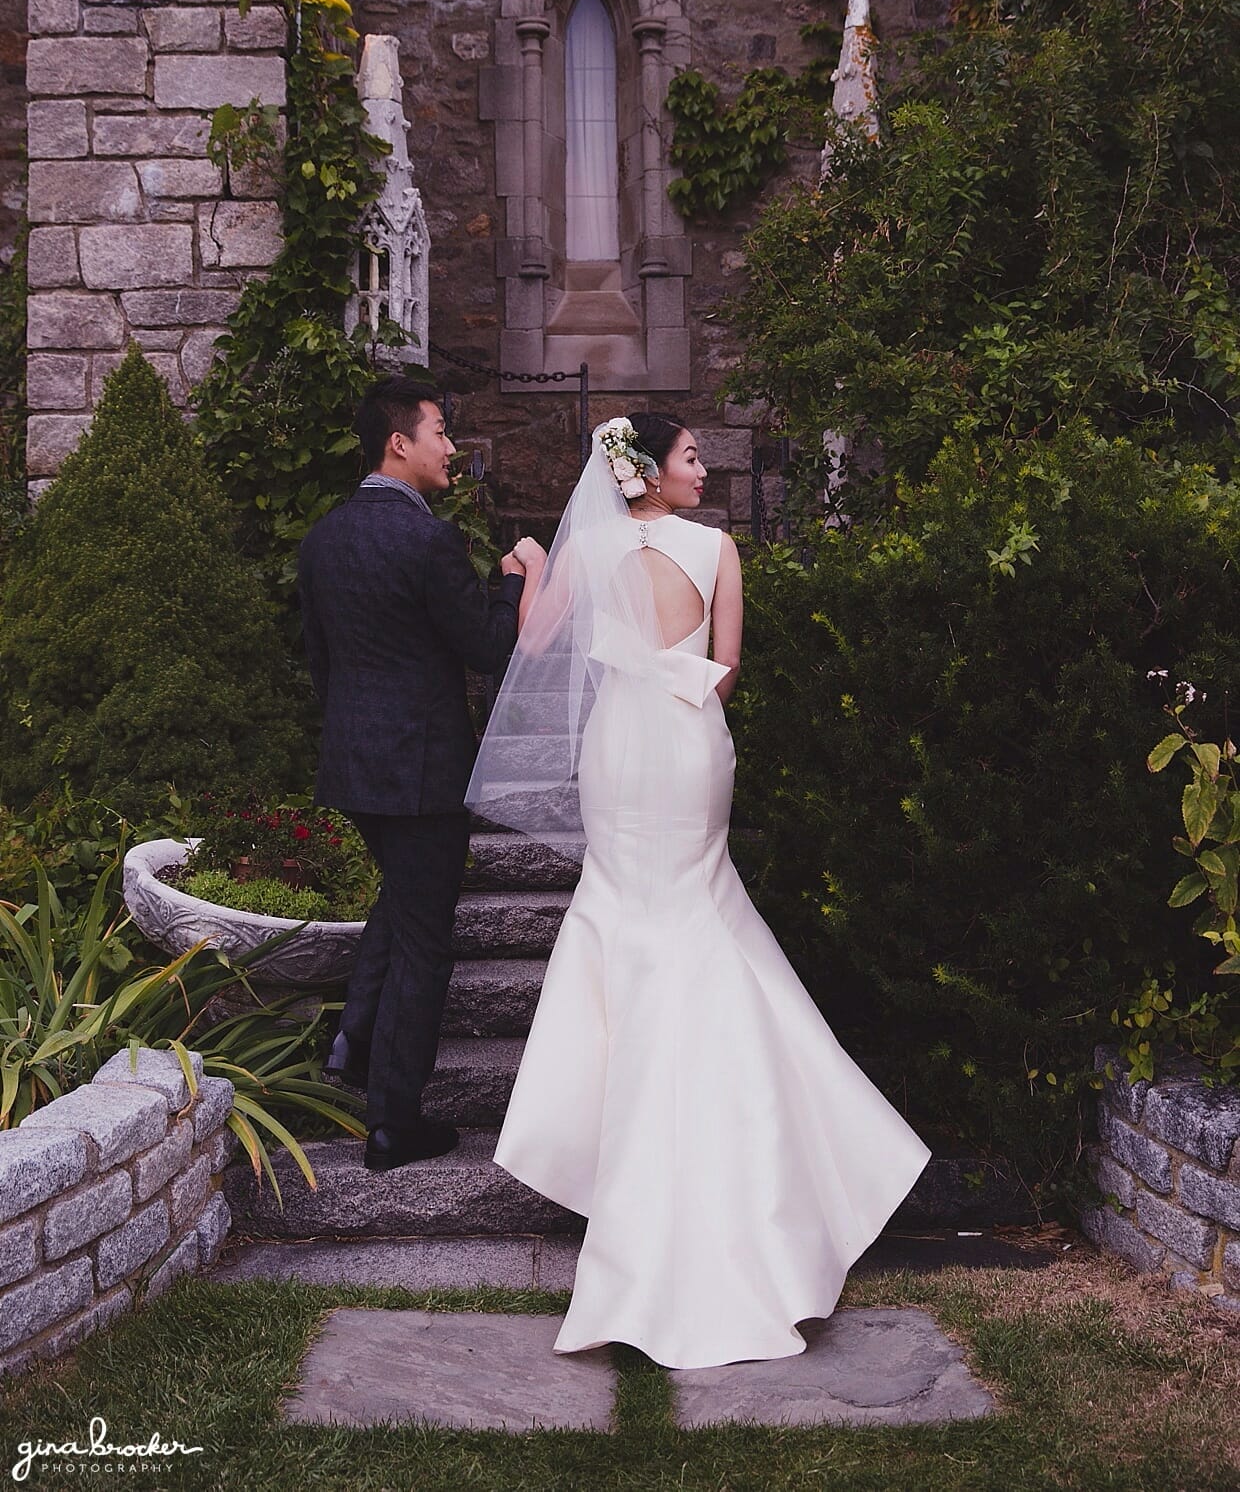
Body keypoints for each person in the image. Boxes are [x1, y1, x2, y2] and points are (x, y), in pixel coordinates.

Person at [467, 411, 931, 1369]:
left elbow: (535, 644)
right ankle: (751, 1169)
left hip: (617, 749)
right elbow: (724, 674)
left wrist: (533, 565)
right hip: (683, 742)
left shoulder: (588, 547)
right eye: (688, 454)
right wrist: (665, 677)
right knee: (698, 920)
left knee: (626, 920)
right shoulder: (718, 548)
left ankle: (637, 1180)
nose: (703, 465)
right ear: (645, 471)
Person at [298, 376, 545, 1173]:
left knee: (402, 903)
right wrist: (513, 581)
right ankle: (394, 1123)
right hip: (425, 771)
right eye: (440, 430)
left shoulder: (324, 538)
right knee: (425, 943)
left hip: (356, 765)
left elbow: (320, 662)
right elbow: (487, 647)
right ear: (399, 442)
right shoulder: (429, 540)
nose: (451, 446)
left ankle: (354, 1046)